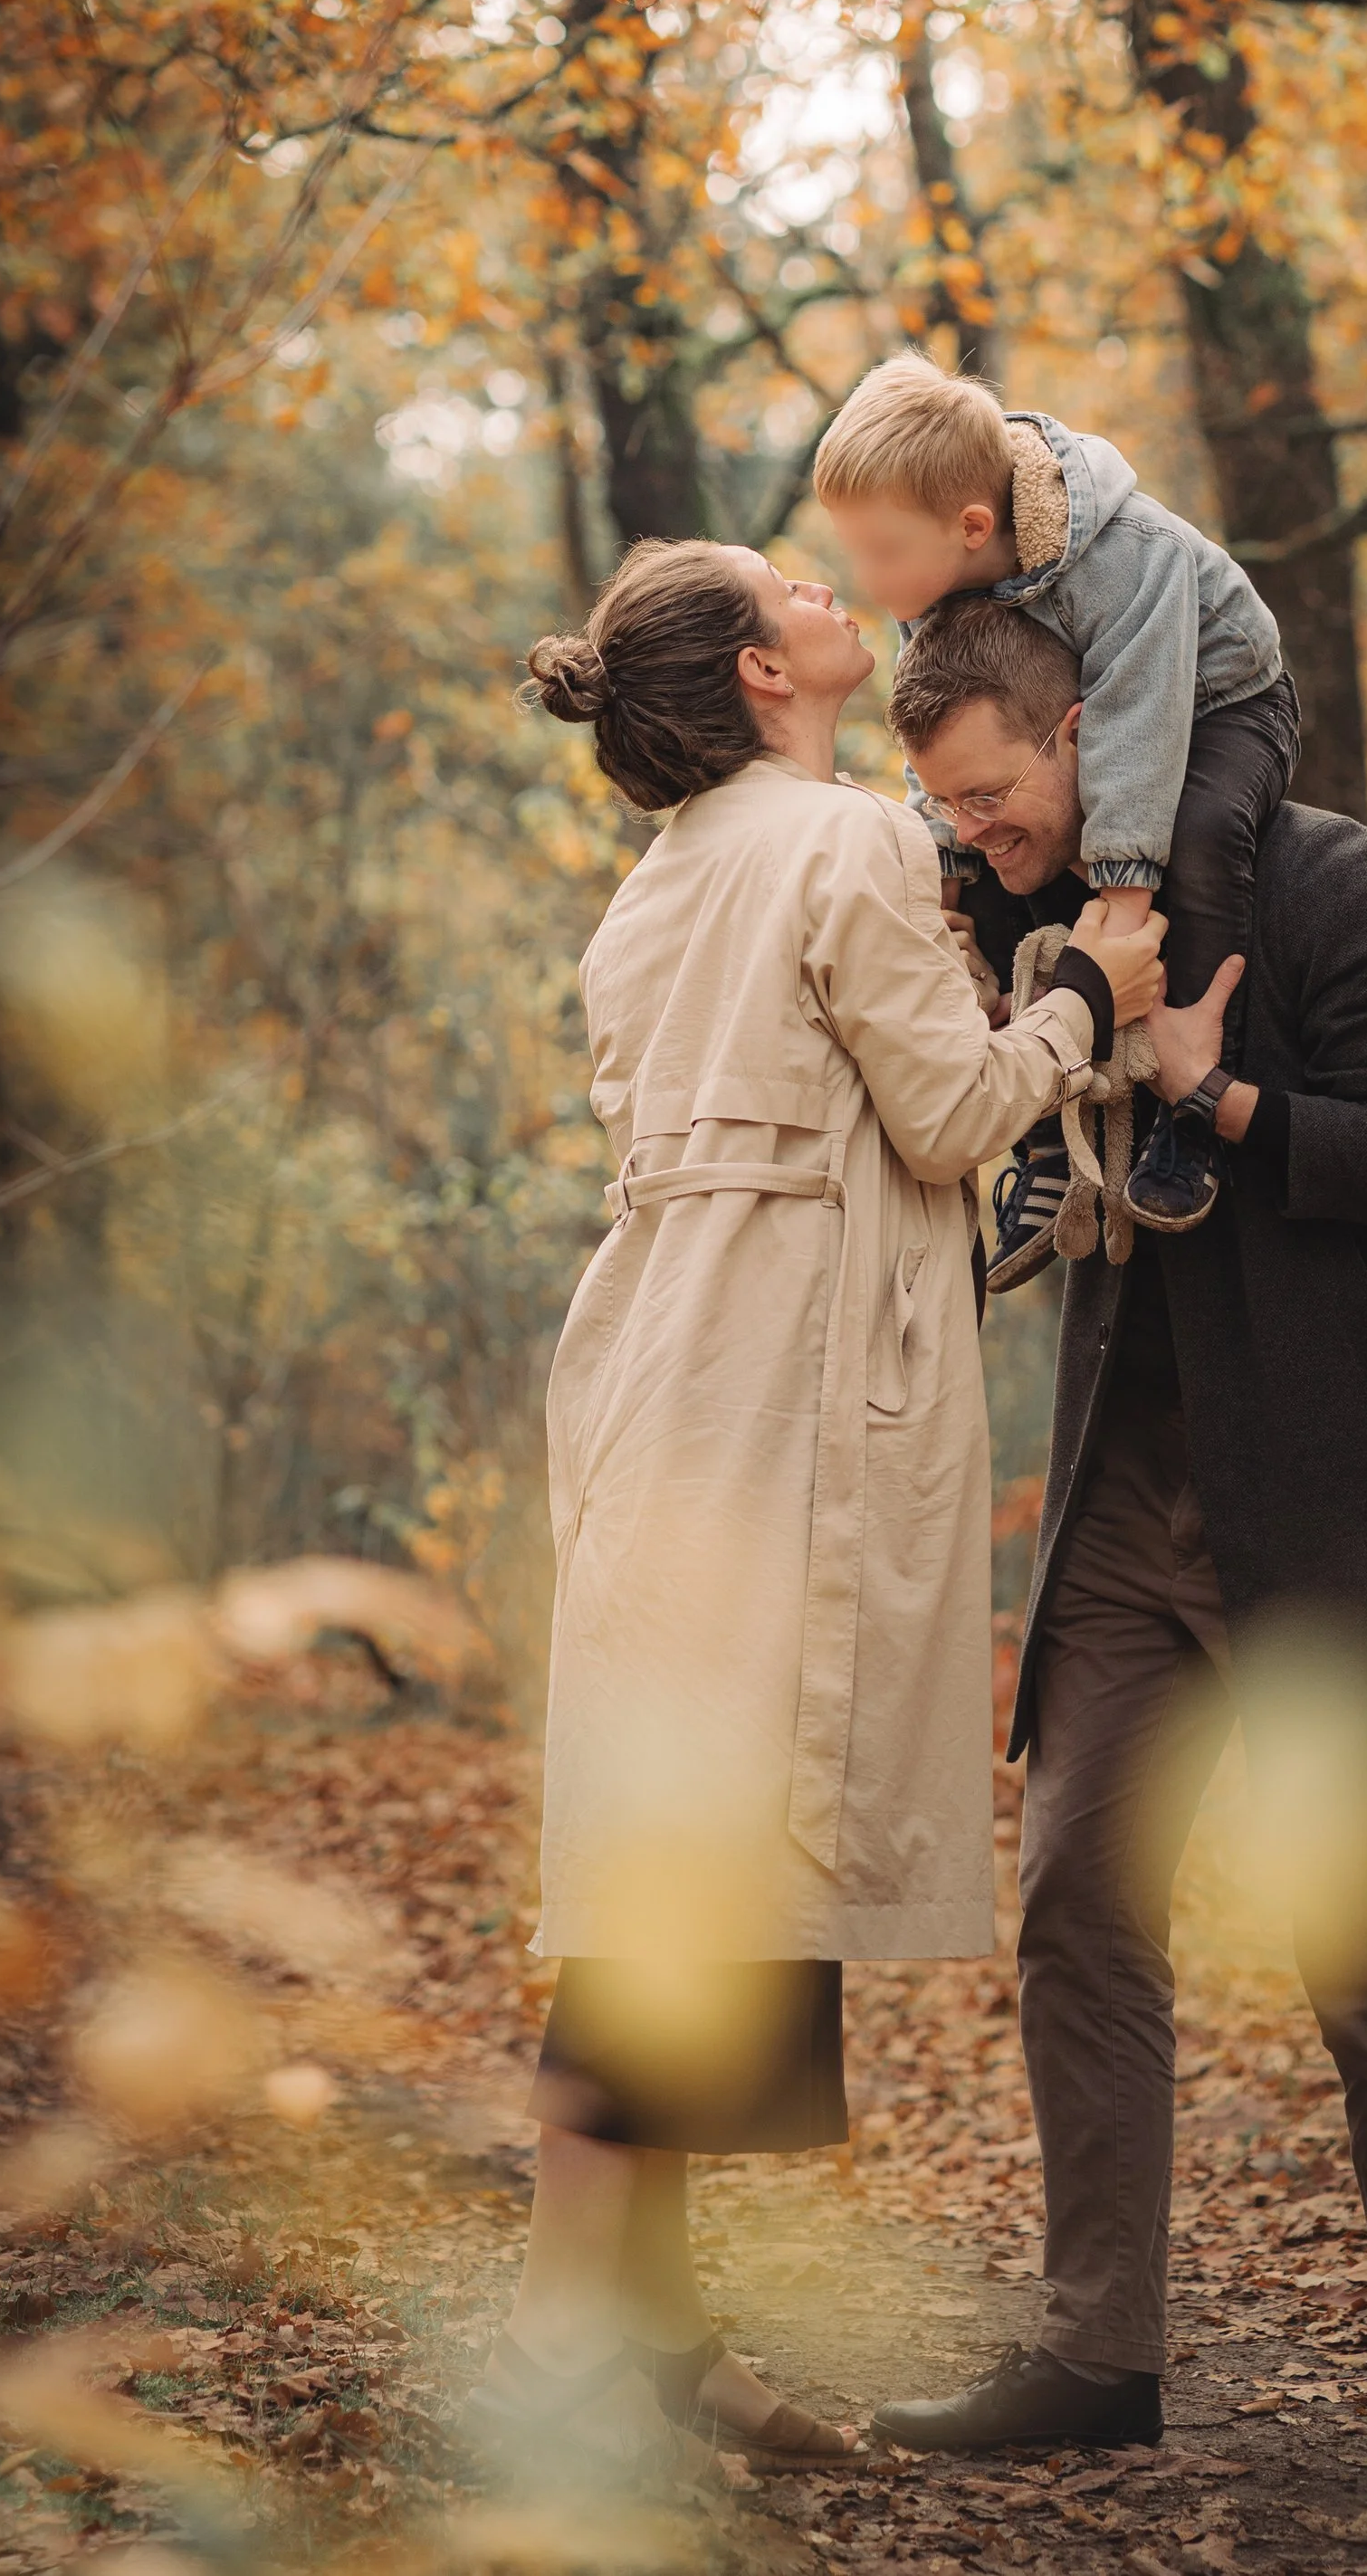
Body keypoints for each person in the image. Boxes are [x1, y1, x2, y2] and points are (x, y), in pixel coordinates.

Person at [469, 539, 1166, 2484]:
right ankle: (560, 2337)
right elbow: (948, 1118)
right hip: (772, 1386)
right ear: (769, 673)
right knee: (694, 1867)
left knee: (677, 1842)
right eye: (793, 582)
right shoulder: (841, 839)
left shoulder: (656, 885)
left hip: (648, 1378)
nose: (825, 581)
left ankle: (655, 2336)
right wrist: (1085, 1002)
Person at [868, 601, 1367, 2488]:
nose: (982, 839)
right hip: (1119, 1512)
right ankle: (1099, 2356)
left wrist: (1210, 1093)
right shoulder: (1034, 915)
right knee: (1075, 1901)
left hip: (1315, 1510)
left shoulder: (1334, 889)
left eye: (997, 799)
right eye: (955, 817)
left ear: (1084, 730)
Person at [812, 356, 1297, 1280]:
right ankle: (1039, 1127)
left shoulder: (1129, 558)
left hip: (1216, 705)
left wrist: (1117, 916)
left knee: (1191, 841)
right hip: (1074, 730)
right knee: (1003, 860)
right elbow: (938, 731)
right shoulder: (934, 585)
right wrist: (942, 869)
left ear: (970, 527)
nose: (866, 578)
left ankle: (1187, 1107)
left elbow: (1138, 731)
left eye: (880, 553)